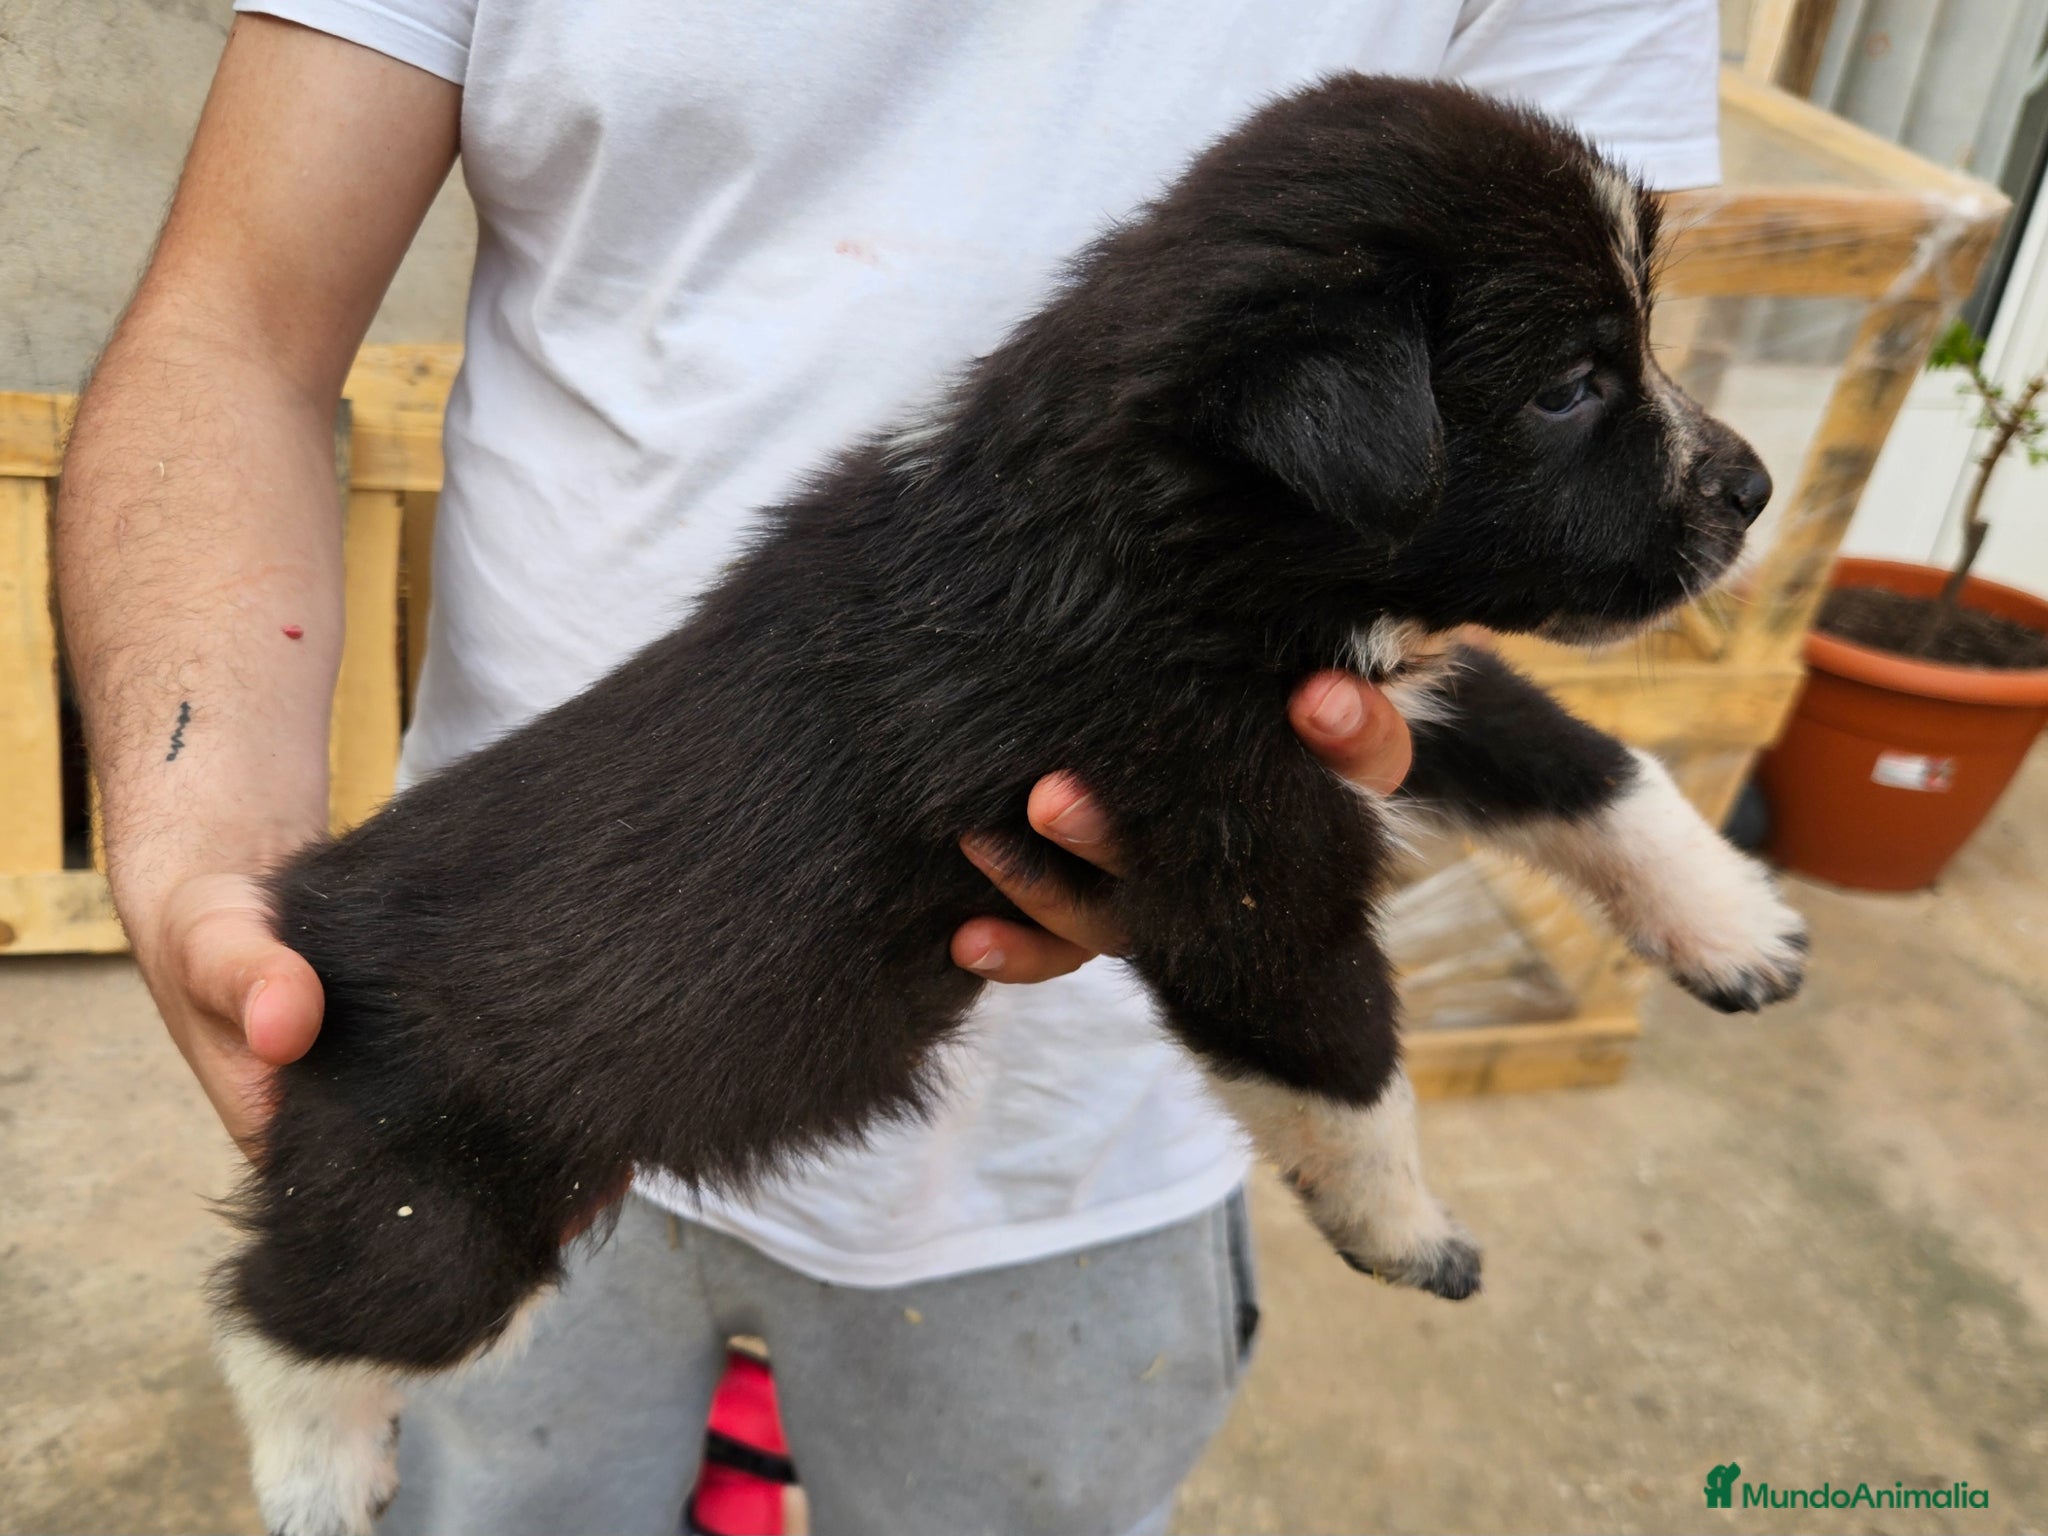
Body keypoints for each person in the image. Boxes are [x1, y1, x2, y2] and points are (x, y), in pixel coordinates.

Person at [53, 3, 1720, 1531]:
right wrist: (203, 836)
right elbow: (236, 329)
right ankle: (310, 1402)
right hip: (541, 1005)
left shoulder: (1248, 467)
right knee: (449, 1346)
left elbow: (1493, 440)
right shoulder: (1172, 465)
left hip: (1076, 1170)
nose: (1702, 450)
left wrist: (1612, 817)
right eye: (1593, 384)